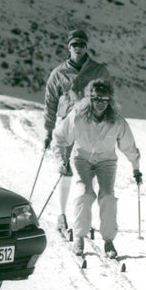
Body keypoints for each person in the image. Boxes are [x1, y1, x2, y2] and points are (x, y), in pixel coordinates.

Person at [52, 79, 142, 257]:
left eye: (105, 99)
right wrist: (61, 160)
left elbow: (129, 146)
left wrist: (136, 168)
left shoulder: (116, 121)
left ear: (110, 100)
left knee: (107, 196)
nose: (101, 103)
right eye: (97, 99)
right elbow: (60, 138)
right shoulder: (78, 116)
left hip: (106, 161)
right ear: (90, 99)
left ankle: (108, 240)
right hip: (82, 158)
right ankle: (79, 236)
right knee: (84, 193)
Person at [43, 29, 110, 232]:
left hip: (90, 126)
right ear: (69, 47)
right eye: (74, 45)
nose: (78, 48)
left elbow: (108, 98)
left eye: (81, 44)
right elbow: (50, 103)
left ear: (86, 46)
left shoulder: (99, 71)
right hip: (66, 125)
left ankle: (85, 217)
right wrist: (48, 131)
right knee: (64, 169)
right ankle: (61, 215)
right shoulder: (58, 74)